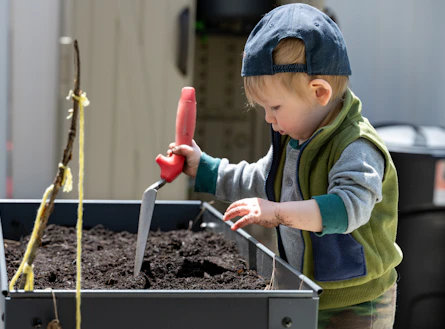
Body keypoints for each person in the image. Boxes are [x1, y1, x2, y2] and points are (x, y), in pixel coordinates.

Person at [169, 3, 402, 329]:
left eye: (275, 106)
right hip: (301, 288)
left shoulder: (356, 146)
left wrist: (277, 212)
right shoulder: (295, 140)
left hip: (356, 304)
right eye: (263, 108)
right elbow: (261, 182)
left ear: (319, 93)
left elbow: (347, 209)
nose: (268, 118)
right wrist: (204, 168)